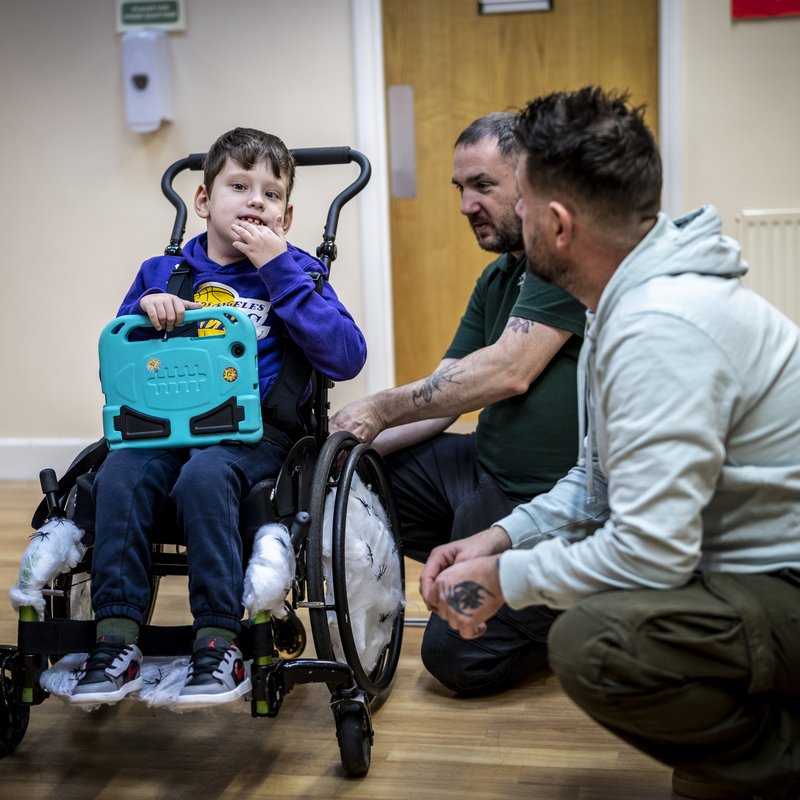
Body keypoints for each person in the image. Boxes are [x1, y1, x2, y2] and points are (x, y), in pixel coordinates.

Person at [420, 86, 800, 799]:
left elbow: (653, 551)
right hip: (750, 573)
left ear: (557, 224)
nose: (510, 216)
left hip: (785, 579)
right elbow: (595, 485)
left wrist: (511, 582)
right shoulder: (622, 303)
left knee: (593, 643)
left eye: (521, 201)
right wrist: (500, 539)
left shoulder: (662, 326)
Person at [70, 127, 367, 708]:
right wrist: (148, 318)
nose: (257, 201)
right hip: (163, 429)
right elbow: (117, 367)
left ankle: (218, 638)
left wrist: (279, 270)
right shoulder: (163, 273)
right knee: (121, 476)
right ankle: (117, 637)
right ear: (203, 202)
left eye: (272, 193)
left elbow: (346, 356)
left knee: (206, 475)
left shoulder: (297, 271)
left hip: (255, 436)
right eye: (239, 185)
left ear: (286, 215)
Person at [330, 112, 587, 694]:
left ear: (530, 182)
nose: (466, 204)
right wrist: (344, 446)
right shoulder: (498, 278)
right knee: (363, 482)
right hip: (483, 469)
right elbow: (445, 392)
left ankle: (566, 610)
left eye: (483, 186)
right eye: (460, 188)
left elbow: (509, 371)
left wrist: (380, 407)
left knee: (453, 657)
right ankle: (495, 571)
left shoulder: (561, 260)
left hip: (546, 497)